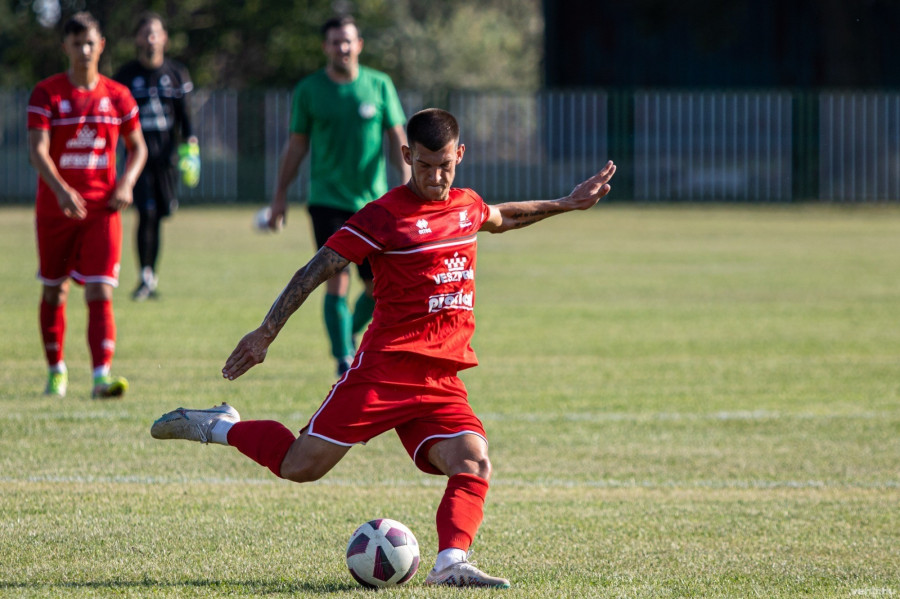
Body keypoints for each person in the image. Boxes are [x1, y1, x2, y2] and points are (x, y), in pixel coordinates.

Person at [151, 108, 616, 587]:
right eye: (424, 166)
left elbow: (503, 216)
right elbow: (314, 272)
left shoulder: (467, 205)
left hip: (440, 379)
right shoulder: (383, 216)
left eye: (444, 166)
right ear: (406, 155)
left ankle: (451, 562)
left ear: (459, 155)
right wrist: (265, 332)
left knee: (473, 460)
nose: (435, 177)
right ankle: (223, 426)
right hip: (384, 373)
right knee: (299, 466)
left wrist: (567, 202)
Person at [267, 15, 410, 376]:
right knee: (337, 278)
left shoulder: (379, 85)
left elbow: (398, 138)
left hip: (373, 203)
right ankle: (343, 357)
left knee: (378, 286)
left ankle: (348, 337)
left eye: (347, 41)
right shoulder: (310, 90)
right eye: (335, 42)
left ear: (359, 44)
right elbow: (297, 145)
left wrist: (409, 185)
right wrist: (280, 194)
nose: (342, 47)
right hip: (327, 201)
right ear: (325, 47)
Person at [27, 11, 147, 398]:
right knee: (54, 291)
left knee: (100, 291)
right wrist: (61, 190)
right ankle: (56, 371)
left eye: (90, 42)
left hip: (102, 210)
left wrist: (126, 182)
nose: (84, 50)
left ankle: (100, 377)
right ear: (65, 46)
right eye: (76, 43)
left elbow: (138, 146)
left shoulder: (118, 96)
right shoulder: (47, 93)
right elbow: (37, 149)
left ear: (101, 46)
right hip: (56, 209)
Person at [114, 11, 198, 301]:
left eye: (156, 33)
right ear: (138, 38)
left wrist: (191, 151)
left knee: (161, 214)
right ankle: (145, 276)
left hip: (168, 160)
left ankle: (150, 273)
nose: (150, 39)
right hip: (138, 160)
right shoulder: (125, 76)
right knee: (146, 213)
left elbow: (186, 118)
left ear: (165, 39)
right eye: (145, 33)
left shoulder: (176, 74)